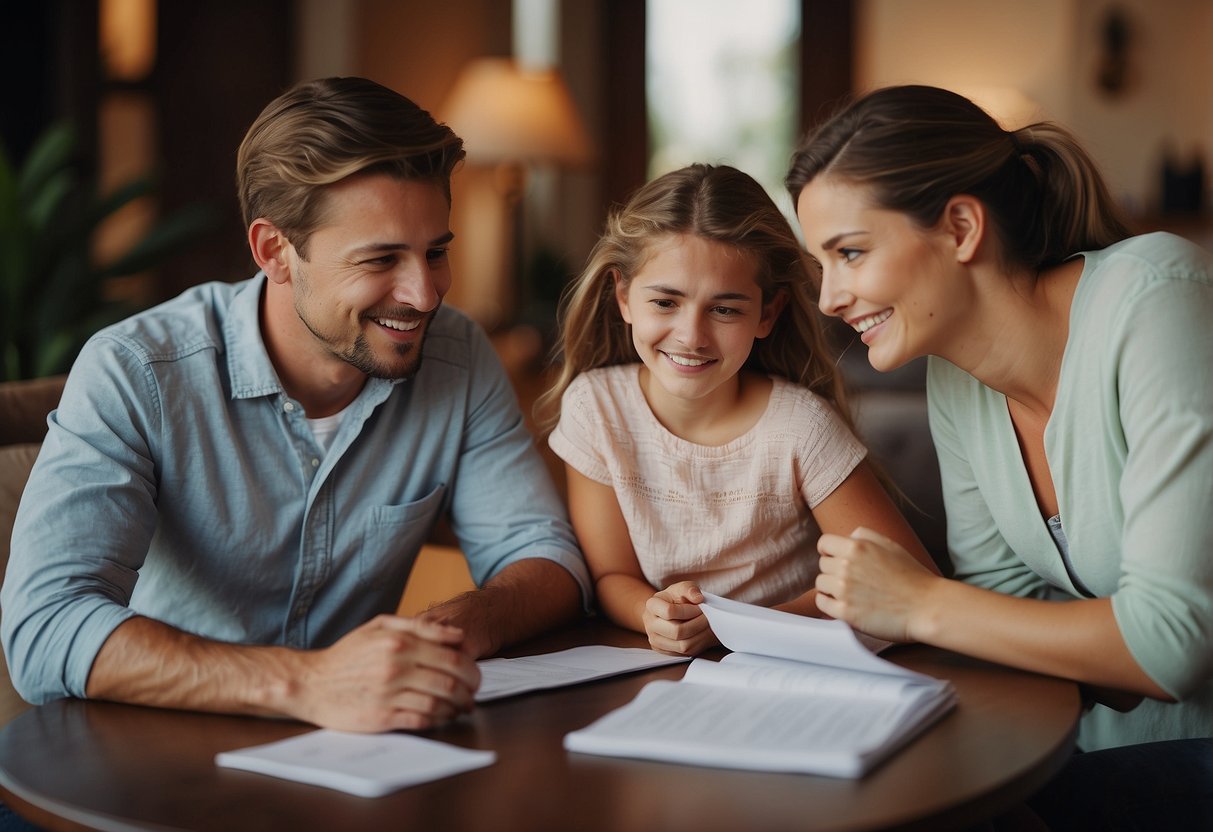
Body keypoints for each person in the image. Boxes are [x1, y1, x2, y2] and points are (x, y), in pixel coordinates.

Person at [1, 77, 591, 733]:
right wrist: (308, 683)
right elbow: (45, 629)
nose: (424, 294)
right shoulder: (135, 371)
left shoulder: (458, 355)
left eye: (435, 252)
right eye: (382, 258)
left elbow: (545, 556)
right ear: (274, 251)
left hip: (347, 756)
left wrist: (443, 633)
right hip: (140, 760)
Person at [789, 84, 1213, 829]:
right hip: (1087, 746)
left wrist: (919, 603)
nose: (828, 298)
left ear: (959, 227)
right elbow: (1000, 612)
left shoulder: (1157, 297)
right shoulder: (958, 380)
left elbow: (1169, 645)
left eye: (849, 253)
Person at [537, 163, 934, 656]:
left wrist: (738, 627)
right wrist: (652, 613)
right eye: (665, 302)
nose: (691, 336)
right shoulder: (596, 407)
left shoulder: (800, 426)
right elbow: (611, 573)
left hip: (795, 667)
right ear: (623, 296)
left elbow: (909, 582)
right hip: (664, 672)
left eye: (724, 309)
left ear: (767, 313)